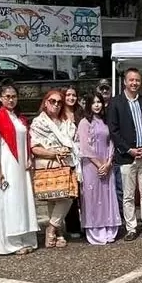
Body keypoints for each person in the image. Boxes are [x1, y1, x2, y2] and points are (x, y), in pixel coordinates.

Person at [107, 68, 142, 241]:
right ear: (125, 82)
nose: (134, 83)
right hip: (127, 156)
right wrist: (128, 149)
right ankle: (131, 228)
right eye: (131, 80)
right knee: (128, 195)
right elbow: (113, 130)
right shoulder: (115, 102)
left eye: (137, 80)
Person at [0, 80, 39, 255]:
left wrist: (29, 157)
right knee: (10, 200)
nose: (11, 100)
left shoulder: (20, 118)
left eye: (14, 96)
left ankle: (26, 237)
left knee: (23, 199)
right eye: (7, 96)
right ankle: (12, 242)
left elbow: (26, 140)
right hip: (7, 163)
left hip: (22, 165)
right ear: (0, 98)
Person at [31, 89, 80, 248]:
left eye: (59, 102)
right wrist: (53, 153)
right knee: (54, 198)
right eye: (53, 101)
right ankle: (57, 233)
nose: (56, 104)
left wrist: (67, 150)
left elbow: (74, 142)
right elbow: (34, 147)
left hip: (66, 163)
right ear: (46, 103)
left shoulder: (66, 122)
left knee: (67, 197)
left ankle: (51, 229)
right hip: (48, 164)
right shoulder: (39, 123)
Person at [76, 93, 122, 244]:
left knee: (107, 195)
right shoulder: (84, 123)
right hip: (91, 165)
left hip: (106, 162)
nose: (97, 105)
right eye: (93, 102)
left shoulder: (105, 121)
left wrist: (108, 163)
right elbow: (84, 147)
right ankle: (95, 230)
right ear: (88, 105)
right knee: (93, 196)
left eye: (99, 102)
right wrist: (99, 164)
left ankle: (109, 228)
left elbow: (111, 142)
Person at [61, 84, 84, 238]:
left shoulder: (80, 112)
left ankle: (88, 223)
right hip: (67, 156)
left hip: (81, 155)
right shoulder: (59, 113)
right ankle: (72, 226)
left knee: (83, 191)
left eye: (73, 95)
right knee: (70, 193)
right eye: (68, 95)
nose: (71, 98)